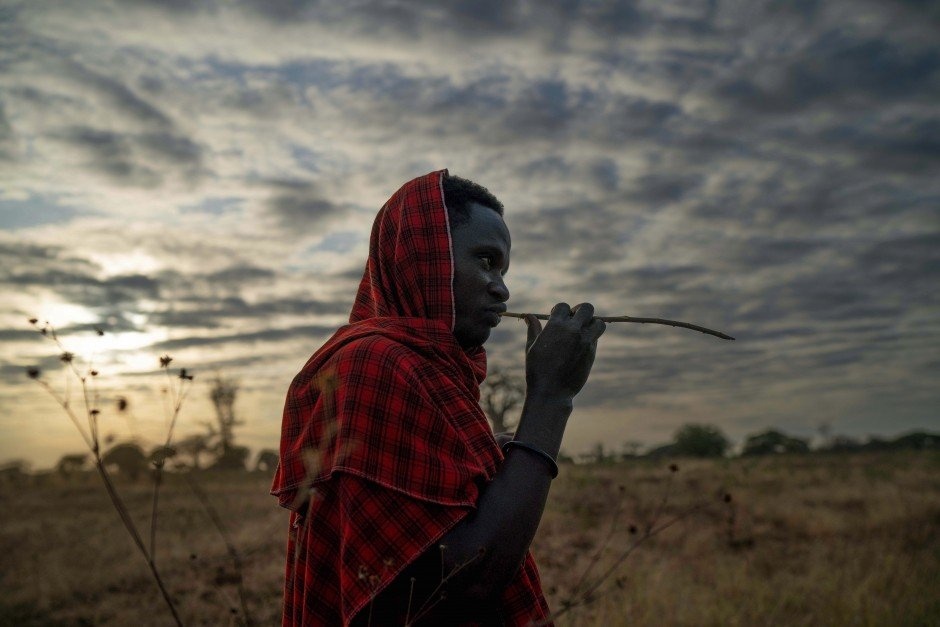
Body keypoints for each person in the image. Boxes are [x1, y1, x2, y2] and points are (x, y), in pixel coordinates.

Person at [272, 170, 606, 625]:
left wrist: (498, 462)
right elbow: (460, 587)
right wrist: (551, 398)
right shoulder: (375, 364)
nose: (503, 290)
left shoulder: (432, 372)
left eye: (504, 270)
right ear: (425, 259)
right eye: (486, 261)